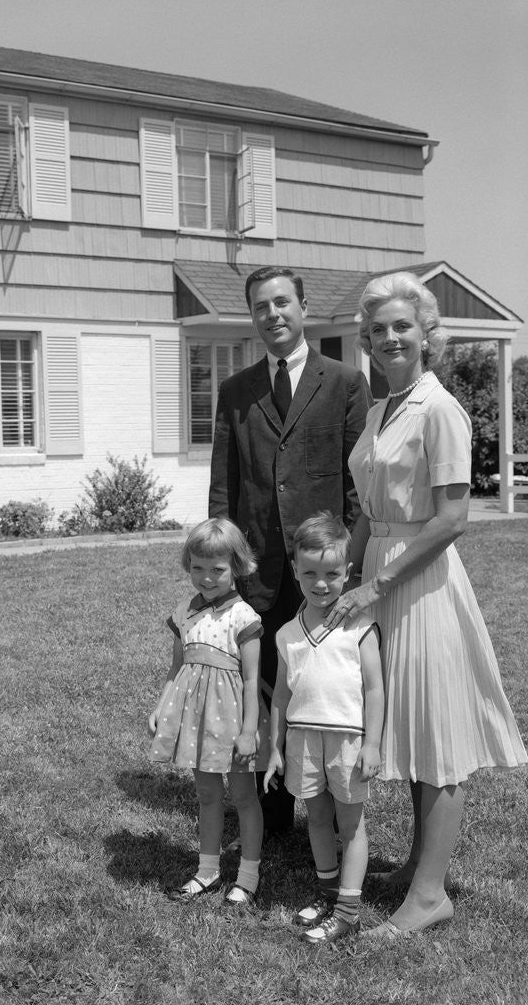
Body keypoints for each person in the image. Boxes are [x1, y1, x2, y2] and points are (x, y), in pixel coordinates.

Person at [324, 271, 528, 937]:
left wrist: (378, 583)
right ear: (367, 338)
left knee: (436, 735)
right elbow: (369, 511)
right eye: (378, 329)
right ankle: (418, 862)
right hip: (381, 571)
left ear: (425, 333)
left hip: (425, 579)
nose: (390, 338)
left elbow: (451, 519)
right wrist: (347, 573)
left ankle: (431, 895)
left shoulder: (440, 408)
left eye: (402, 326)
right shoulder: (383, 408)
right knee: (407, 724)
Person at [209, 266, 373, 836]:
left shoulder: (346, 383)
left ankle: (332, 811)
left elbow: (358, 484)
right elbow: (224, 487)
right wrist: (225, 565)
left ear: (303, 308)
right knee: (263, 685)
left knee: (323, 687)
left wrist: (347, 563)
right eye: (261, 307)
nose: (273, 314)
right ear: (251, 317)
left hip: (320, 569)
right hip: (259, 569)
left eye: (282, 303)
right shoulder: (235, 391)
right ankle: (271, 817)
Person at [263, 511, 384, 944]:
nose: (320, 583)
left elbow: (374, 688)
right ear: (294, 570)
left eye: (331, 573)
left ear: (347, 573)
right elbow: (280, 695)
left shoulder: (360, 625)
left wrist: (372, 744)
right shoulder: (286, 634)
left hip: (348, 741)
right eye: (309, 572)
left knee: (350, 825)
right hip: (303, 739)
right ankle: (328, 890)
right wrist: (275, 747)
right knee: (316, 817)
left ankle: (348, 912)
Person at [149, 517, 268, 907]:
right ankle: (208, 869)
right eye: (197, 567)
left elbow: (251, 681)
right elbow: (176, 667)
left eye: (216, 569)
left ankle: (247, 876)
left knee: (244, 796)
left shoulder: (244, 618)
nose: (206, 577)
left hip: (233, 723)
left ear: (236, 567)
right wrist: (161, 705)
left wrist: (249, 731)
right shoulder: (185, 612)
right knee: (206, 793)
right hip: (196, 720)